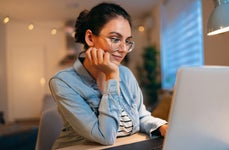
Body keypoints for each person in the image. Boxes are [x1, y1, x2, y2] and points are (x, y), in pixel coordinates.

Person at [49, 2, 168, 149]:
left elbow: (140, 115)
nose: (123, 49)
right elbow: (105, 136)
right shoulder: (63, 82)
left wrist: (162, 126)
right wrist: (112, 77)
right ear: (90, 38)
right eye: (115, 39)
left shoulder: (126, 74)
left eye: (127, 41)